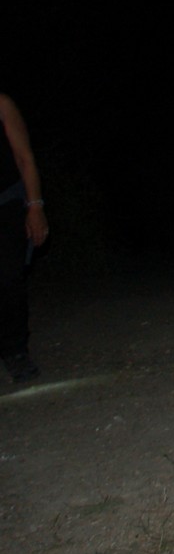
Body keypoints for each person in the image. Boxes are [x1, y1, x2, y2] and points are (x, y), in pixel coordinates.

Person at [1, 93, 47, 383]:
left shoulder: (2, 105)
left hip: (6, 202)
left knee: (8, 278)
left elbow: (24, 157)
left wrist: (35, 207)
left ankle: (15, 350)